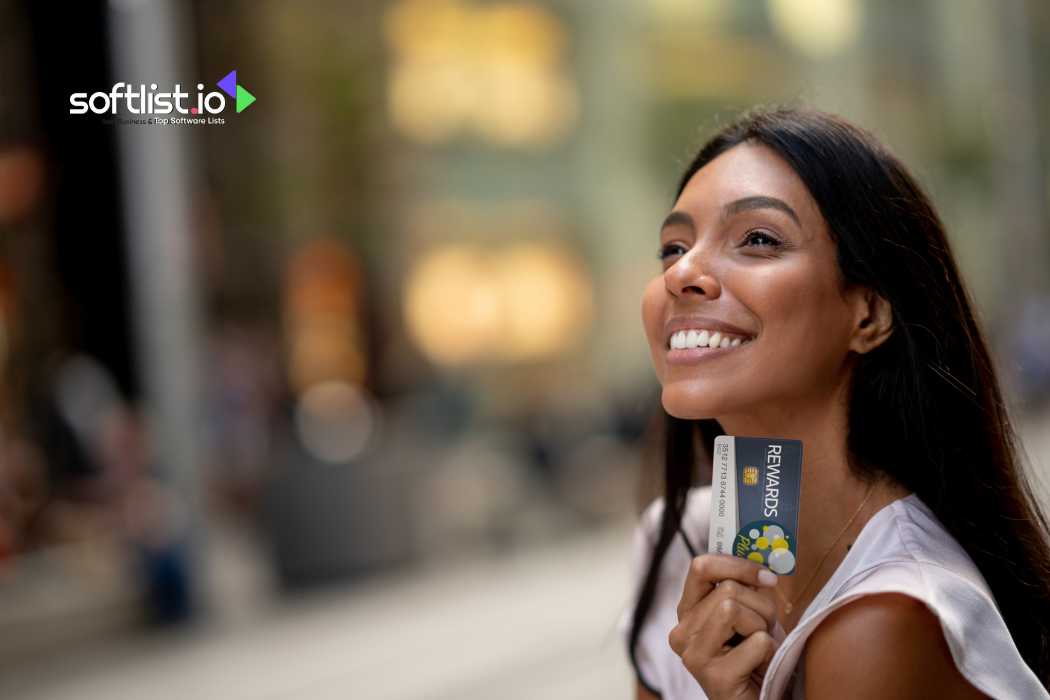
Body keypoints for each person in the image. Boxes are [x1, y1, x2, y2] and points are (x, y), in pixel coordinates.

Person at [617, 106, 1050, 699]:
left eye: (758, 239)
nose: (682, 273)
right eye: (673, 247)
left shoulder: (887, 618)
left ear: (867, 313)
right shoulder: (675, 549)